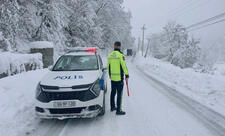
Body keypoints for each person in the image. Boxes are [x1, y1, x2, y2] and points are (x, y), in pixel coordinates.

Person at [107, 41, 129, 115]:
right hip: (119, 79)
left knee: (113, 93)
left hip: (112, 78)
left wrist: (110, 75)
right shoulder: (120, 55)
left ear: (114, 46)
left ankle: (112, 107)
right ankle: (118, 110)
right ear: (119, 46)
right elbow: (124, 66)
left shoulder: (110, 55)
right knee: (119, 94)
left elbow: (108, 67)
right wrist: (127, 75)